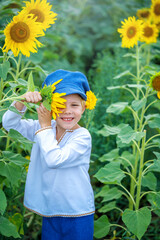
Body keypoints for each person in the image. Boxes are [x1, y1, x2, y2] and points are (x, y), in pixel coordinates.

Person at [2, 69, 96, 240]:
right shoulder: (43, 128)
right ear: (49, 107)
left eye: (74, 105)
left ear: (83, 107)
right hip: (50, 209)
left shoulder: (82, 137)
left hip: (77, 212)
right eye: (60, 104)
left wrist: (44, 125)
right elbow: (9, 124)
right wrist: (21, 102)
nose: (67, 111)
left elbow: (55, 159)